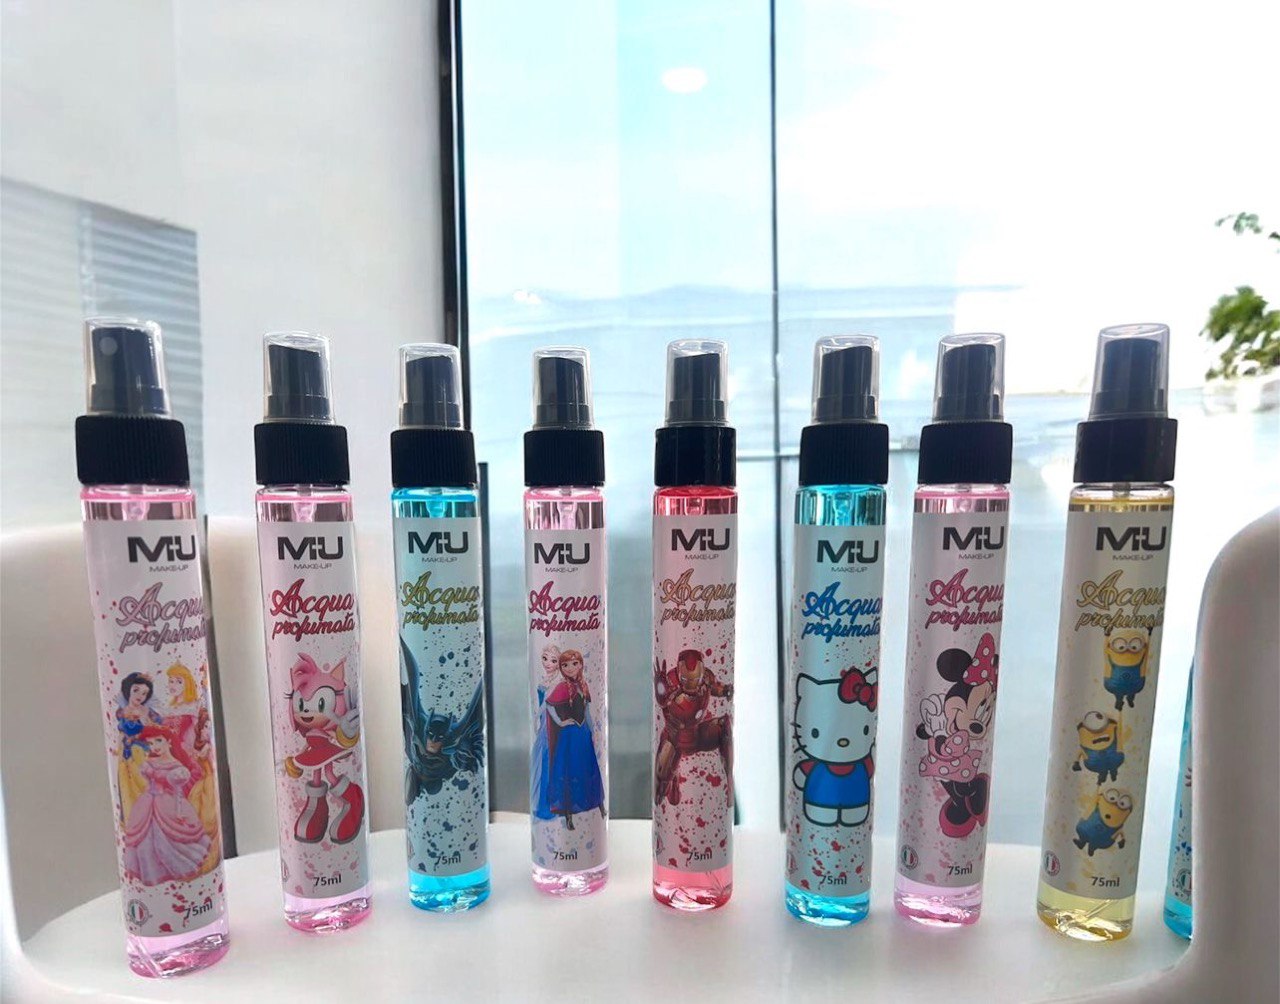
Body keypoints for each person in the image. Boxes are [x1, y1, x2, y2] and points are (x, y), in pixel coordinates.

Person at [121, 726, 211, 884]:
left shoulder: (177, 767)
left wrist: (160, 775)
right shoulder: (150, 762)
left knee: (165, 842)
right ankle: (151, 874)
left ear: (169, 742)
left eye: (158, 741)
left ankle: (177, 870)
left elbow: (177, 780)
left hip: (168, 804)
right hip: (147, 803)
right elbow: (145, 775)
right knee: (144, 842)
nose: (154, 746)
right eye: (150, 743)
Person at [545, 649, 605, 830]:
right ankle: (568, 812)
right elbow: (549, 705)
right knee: (569, 770)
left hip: (583, 733)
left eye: (574, 663)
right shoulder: (562, 687)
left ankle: (597, 804)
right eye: (565, 665)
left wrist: (593, 730)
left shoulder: (583, 685)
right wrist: (560, 722)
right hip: (569, 734)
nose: (570, 668)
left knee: (587, 767)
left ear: (580, 665)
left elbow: (586, 711)